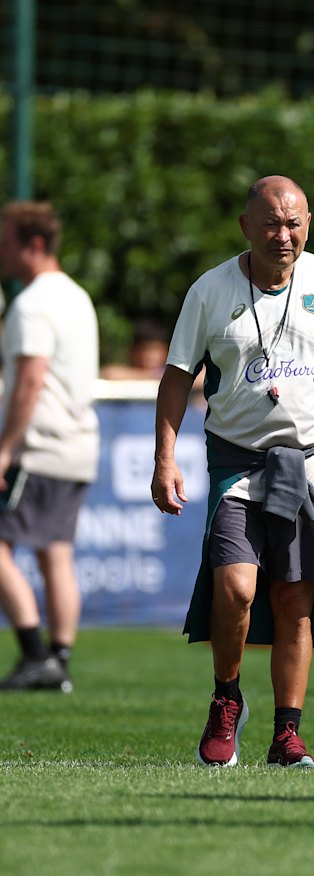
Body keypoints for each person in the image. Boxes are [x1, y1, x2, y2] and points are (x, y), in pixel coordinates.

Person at [151, 175, 314, 769]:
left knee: (296, 599)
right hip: (237, 460)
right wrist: (165, 457)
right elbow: (175, 377)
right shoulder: (210, 290)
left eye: (294, 223)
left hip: (313, 461)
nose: (283, 235)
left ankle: (287, 736)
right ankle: (226, 699)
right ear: (246, 226)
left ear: (308, 224)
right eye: (271, 223)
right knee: (236, 587)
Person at [0, 201, 99, 692]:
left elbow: (30, 380)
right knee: (55, 555)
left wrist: (5, 448)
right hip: (79, 443)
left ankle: (36, 655)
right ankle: (59, 660)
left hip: (39, 445)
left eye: (6, 242)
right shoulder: (77, 296)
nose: (1, 252)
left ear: (32, 244)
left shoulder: (33, 302)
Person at [100, 318, 169, 381]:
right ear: (132, 351)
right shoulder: (126, 371)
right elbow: (109, 373)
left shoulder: (171, 373)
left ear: (165, 350)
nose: (149, 356)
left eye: (154, 349)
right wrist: (151, 375)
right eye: (143, 350)